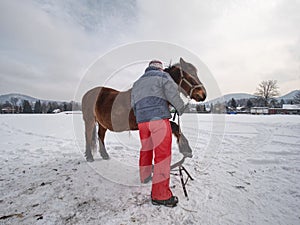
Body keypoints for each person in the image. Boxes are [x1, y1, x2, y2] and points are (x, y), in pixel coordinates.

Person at [131, 60, 186, 207]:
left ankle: (145, 176)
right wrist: (180, 108)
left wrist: (140, 117)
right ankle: (160, 195)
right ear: (160, 68)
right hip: (159, 120)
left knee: (146, 149)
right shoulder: (163, 77)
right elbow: (172, 95)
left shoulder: (137, 83)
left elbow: (133, 104)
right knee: (162, 155)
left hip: (142, 122)